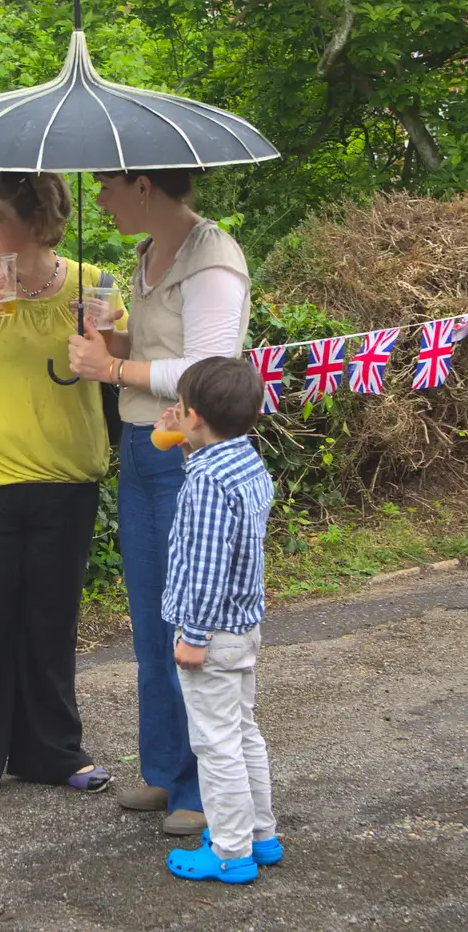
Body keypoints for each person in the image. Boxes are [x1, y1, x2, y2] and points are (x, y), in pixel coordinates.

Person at [0, 171, 125, 802]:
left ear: (36, 222)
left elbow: (120, 373)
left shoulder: (96, 282)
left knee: (50, 623)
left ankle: (53, 752)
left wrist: (104, 333)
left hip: (65, 482)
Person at [66, 168, 251, 837]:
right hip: (144, 449)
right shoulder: (146, 256)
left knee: (188, 617)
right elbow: (151, 353)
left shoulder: (213, 259)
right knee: (150, 617)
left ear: (143, 184)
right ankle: (166, 768)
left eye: (107, 186)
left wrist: (111, 369)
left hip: (186, 453)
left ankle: (200, 787)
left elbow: (206, 369)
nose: (99, 199)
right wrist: (106, 343)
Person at [154, 356, 280, 884]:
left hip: (212, 633)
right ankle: (259, 833)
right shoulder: (245, 461)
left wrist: (194, 636)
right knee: (243, 732)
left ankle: (230, 853)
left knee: (215, 743)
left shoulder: (206, 482)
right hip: (243, 627)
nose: (174, 415)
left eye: (180, 410)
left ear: (195, 415)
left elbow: (206, 567)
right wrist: (188, 445)